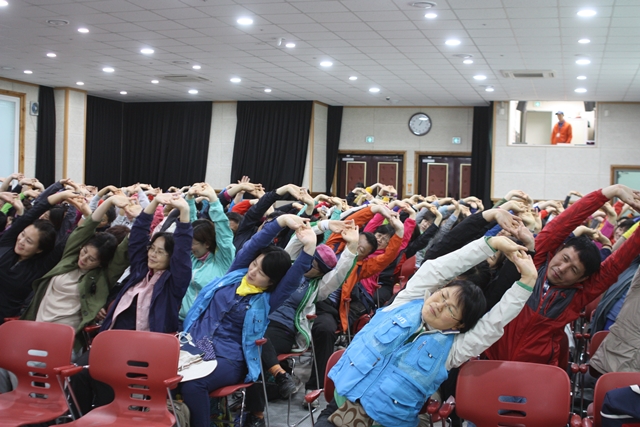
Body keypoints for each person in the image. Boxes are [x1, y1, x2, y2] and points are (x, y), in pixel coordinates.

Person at [314, 230, 537, 427]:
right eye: (443, 296)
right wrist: (491, 244)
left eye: (451, 309)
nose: (439, 305)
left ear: (459, 324)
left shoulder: (453, 350)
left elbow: (495, 323)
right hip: (339, 410)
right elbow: (438, 269)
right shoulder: (405, 302)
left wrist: (527, 280)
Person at [180, 214, 317, 427]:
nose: (252, 272)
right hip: (196, 346)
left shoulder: (267, 299)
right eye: (254, 264)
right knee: (163, 376)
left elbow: (293, 277)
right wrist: (280, 222)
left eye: (261, 272)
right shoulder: (235, 276)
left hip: (229, 358)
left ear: (271, 281)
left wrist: (309, 246)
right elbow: (254, 244)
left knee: (193, 385)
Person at [69, 192, 193, 414]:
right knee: (79, 372)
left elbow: (183, 251)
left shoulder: (173, 283)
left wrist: (184, 211)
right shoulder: (139, 273)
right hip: (112, 342)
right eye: (152, 249)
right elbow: (137, 237)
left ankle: (110, 417)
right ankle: (84, 417)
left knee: (108, 377)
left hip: (143, 349)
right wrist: (154, 203)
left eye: (160, 252)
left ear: (171, 258)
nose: (153, 255)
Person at [20, 194, 131, 353]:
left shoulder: (102, 278)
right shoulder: (70, 258)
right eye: (84, 252)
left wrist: (140, 216)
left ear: (101, 263)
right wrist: (109, 201)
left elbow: (123, 252)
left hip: (62, 340)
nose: (83, 259)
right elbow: (88, 226)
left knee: (34, 361)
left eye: (91, 259)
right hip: (35, 329)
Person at [0, 180, 78, 322]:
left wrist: (83, 211)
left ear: (39, 249)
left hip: (6, 322)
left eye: (29, 241)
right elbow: (33, 213)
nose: (21, 241)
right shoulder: (7, 243)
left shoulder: (40, 267)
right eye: (22, 235)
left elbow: (72, 238)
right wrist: (59, 190)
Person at [179, 182, 236, 322]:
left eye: (193, 243)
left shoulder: (223, 261)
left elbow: (224, 235)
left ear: (207, 244)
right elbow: (190, 225)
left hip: (202, 324)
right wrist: (189, 198)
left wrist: (214, 200)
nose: (189, 247)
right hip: (179, 320)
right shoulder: (193, 258)